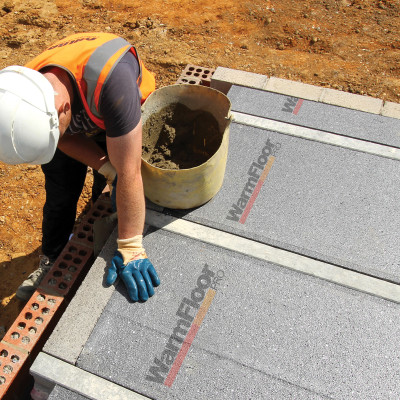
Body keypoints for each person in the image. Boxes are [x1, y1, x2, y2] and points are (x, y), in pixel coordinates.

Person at [0, 32, 160, 302]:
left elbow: (129, 170)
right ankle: (52, 260)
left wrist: (132, 246)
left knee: (117, 181)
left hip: (108, 111)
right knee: (60, 194)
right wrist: (105, 166)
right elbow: (61, 137)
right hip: (66, 120)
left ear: (63, 109)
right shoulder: (22, 93)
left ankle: (106, 228)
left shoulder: (114, 85)